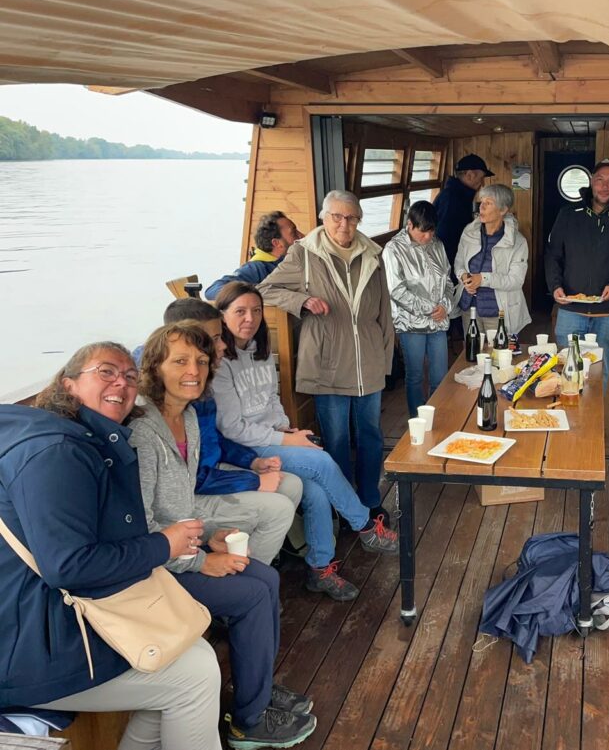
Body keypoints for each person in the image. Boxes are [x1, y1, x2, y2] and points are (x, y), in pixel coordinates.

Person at [0, 342, 220, 749]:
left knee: (186, 657)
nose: (122, 381)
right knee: (195, 673)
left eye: (130, 376)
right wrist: (163, 546)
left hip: (54, 615)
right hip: (27, 649)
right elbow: (69, 567)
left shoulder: (82, 440)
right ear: (68, 384)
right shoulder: (56, 452)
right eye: (106, 371)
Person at [130, 324, 316, 749]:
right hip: (152, 566)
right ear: (154, 368)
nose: (193, 370)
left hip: (184, 545)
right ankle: (248, 723)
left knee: (265, 580)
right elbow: (142, 528)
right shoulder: (144, 432)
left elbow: (181, 506)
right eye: (179, 361)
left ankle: (259, 692)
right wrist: (199, 561)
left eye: (200, 361)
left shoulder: (189, 418)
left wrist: (212, 536)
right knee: (251, 594)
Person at [211, 281, 397, 602]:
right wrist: (286, 441)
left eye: (256, 311)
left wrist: (289, 433)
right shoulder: (219, 364)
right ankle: (365, 526)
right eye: (239, 311)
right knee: (323, 463)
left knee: (315, 491)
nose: (249, 319)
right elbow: (233, 429)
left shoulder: (261, 354)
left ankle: (319, 568)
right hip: (243, 451)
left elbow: (272, 402)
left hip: (273, 439)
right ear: (222, 317)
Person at [259, 190, 394, 516]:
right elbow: (265, 290)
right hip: (327, 363)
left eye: (351, 217)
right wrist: (301, 302)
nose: (344, 224)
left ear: (358, 220)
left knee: (371, 436)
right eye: (337, 216)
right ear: (323, 217)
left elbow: (384, 312)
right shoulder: (303, 255)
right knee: (335, 439)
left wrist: (386, 359)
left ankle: (370, 499)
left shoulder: (372, 254)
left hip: (368, 362)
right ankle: (345, 507)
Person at [134, 297, 304, 510]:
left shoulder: (201, 389)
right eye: (215, 338)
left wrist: (251, 461)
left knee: (293, 485)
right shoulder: (161, 403)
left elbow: (214, 439)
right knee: (279, 507)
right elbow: (190, 476)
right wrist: (253, 481)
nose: (223, 344)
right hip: (188, 494)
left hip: (213, 469)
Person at [546, 158, 609, 383]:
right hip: (571, 310)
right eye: (600, 180)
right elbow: (553, 255)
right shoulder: (568, 214)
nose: (605, 186)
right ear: (591, 183)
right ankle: (571, 419)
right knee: (568, 374)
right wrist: (555, 286)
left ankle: (591, 420)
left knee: (598, 375)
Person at [382, 200, 454, 416]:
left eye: (431, 231)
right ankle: (418, 421)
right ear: (410, 225)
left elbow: (448, 281)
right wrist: (432, 308)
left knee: (440, 375)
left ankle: (437, 416)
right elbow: (397, 291)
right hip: (410, 323)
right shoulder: (393, 249)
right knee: (414, 376)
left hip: (439, 321)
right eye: (423, 232)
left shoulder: (437, 245)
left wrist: (446, 306)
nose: (427, 237)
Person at [453, 183, 531, 339]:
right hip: (469, 308)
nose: (481, 207)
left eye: (488, 203)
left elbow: (516, 280)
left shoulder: (518, 242)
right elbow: (459, 262)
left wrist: (482, 279)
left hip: (498, 311)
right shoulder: (469, 232)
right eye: (481, 202)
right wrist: (464, 277)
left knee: (498, 359)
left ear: (503, 210)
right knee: (471, 355)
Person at [206, 211, 303, 300]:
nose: (302, 236)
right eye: (294, 233)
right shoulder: (257, 268)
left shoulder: (291, 259)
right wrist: (262, 291)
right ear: (277, 243)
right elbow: (212, 290)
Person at [434, 153, 494, 275]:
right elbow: (444, 238)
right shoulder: (452, 198)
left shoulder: (458, 195)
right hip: (447, 266)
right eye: (481, 178)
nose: (482, 184)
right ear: (470, 175)